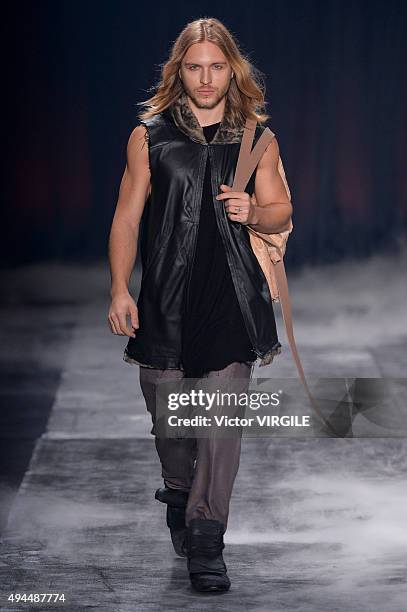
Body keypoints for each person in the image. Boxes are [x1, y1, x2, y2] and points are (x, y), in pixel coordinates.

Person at [108, 17, 292, 593]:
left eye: (216, 67)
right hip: (166, 301)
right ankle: (180, 492)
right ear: (179, 71)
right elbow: (127, 217)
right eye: (195, 67)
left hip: (233, 303)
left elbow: (281, 211)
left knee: (220, 429)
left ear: (231, 69)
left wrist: (253, 213)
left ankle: (207, 542)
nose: (206, 79)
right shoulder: (150, 136)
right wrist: (119, 289)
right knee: (173, 428)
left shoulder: (257, 139)